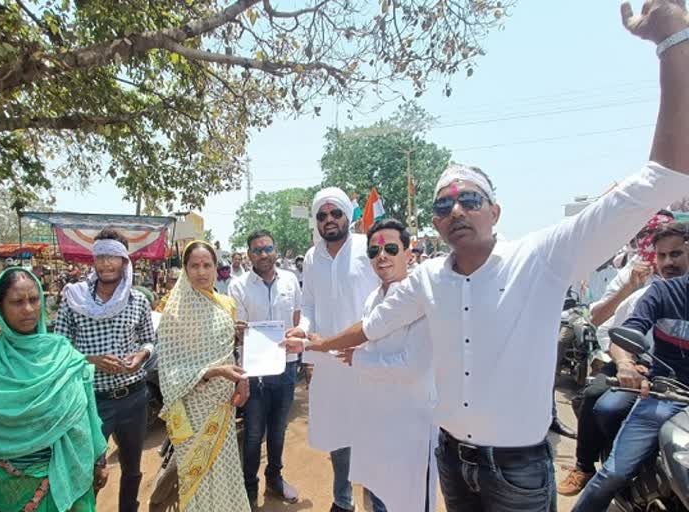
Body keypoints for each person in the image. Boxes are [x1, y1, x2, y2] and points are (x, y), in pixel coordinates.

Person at [284, 4, 689, 509]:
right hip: (452, 460)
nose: (456, 207)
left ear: (495, 211)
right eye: (444, 203)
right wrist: (318, 343)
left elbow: (665, 177)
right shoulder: (429, 279)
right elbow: (373, 325)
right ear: (434, 223)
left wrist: (671, 41)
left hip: (518, 471)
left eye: (470, 198)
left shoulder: (544, 256)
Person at [0, 268, 108, 512]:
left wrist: (100, 460)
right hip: (10, 493)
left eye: (34, 299)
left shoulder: (64, 355)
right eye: (17, 302)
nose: (28, 309)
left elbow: (88, 414)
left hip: (71, 483)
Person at [558, 222, 689, 496]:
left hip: (673, 379)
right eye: (662, 255)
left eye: (675, 254)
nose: (668, 262)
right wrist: (627, 363)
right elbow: (603, 324)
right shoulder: (641, 284)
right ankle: (586, 466)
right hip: (634, 365)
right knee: (601, 401)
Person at [285, 187, 380, 512]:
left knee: (373, 432)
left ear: (347, 216)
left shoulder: (368, 247)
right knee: (339, 433)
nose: (329, 220)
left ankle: (378, 501)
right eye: (322, 216)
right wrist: (303, 329)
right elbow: (309, 304)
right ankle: (343, 499)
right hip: (328, 361)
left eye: (335, 213)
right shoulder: (313, 257)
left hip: (367, 357)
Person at [53, 228, 157, 512]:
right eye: (100, 256)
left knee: (132, 467)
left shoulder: (138, 301)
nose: (106, 263)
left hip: (134, 397)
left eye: (113, 257)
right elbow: (60, 348)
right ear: (93, 260)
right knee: (90, 469)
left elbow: (150, 338)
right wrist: (92, 360)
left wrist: (142, 354)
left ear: (125, 261)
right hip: (92, 400)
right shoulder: (73, 298)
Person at [340, 219, 438, 512]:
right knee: (376, 496)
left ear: (409, 252)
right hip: (375, 419)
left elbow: (413, 366)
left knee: (408, 501)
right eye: (374, 251)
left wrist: (357, 358)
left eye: (391, 248)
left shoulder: (423, 297)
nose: (381, 256)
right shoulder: (373, 299)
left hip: (411, 425)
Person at [153, 240, 251, 511]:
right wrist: (214, 371)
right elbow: (170, 367)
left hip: (223, 403)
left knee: (225, 466)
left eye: (207, 265)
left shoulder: (226, 304)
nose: (201, 271)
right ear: (184, 269)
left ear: (216, 267)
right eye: (194, 265)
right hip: (192, 405)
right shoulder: (174, 310)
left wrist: (241, 375)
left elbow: (228, 352)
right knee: (195, 474)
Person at [229, 231, 303, 508]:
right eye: (257, 250)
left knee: (278, 430)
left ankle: (274, 479)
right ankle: (249, 488)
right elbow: (240, 331)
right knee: (252, 434)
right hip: (255, 372)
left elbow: (297, 317)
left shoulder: (290, 280)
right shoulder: (239, 286)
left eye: (268, 248)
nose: (263, 254)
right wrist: (241, 333)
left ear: (275, 251)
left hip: (285, 369)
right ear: (249, 255)